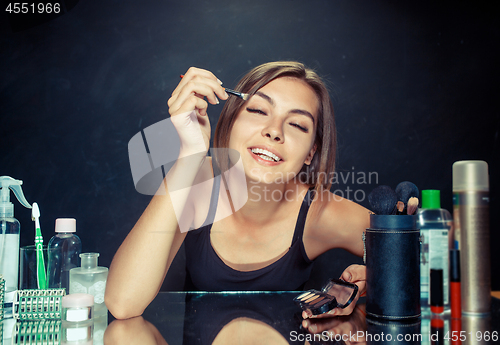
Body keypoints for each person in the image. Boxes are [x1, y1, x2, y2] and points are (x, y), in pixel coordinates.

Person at [105, 61, 371, 320]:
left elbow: (411, 249)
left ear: (311, 153)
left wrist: (381, 277)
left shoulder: (319, 211)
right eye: (258, 110)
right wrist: (189, 156)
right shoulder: (196, 179)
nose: (274, 131)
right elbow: (123, 304)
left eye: (298, 125)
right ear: (231, 119)